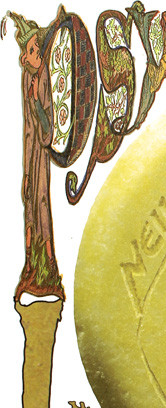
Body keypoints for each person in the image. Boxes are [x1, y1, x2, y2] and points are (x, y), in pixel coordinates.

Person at [8, 12, 64, 301]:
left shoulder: (43, 81)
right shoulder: (28, 79)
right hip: (31, 159)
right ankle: (31, 268)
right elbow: (28, 132)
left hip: (40, 157)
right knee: (30, 204)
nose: (26, 57)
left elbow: (47, 130)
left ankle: (47, 270)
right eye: (27, 51)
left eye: (31, 50)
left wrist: (36, 104)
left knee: (40, 206)